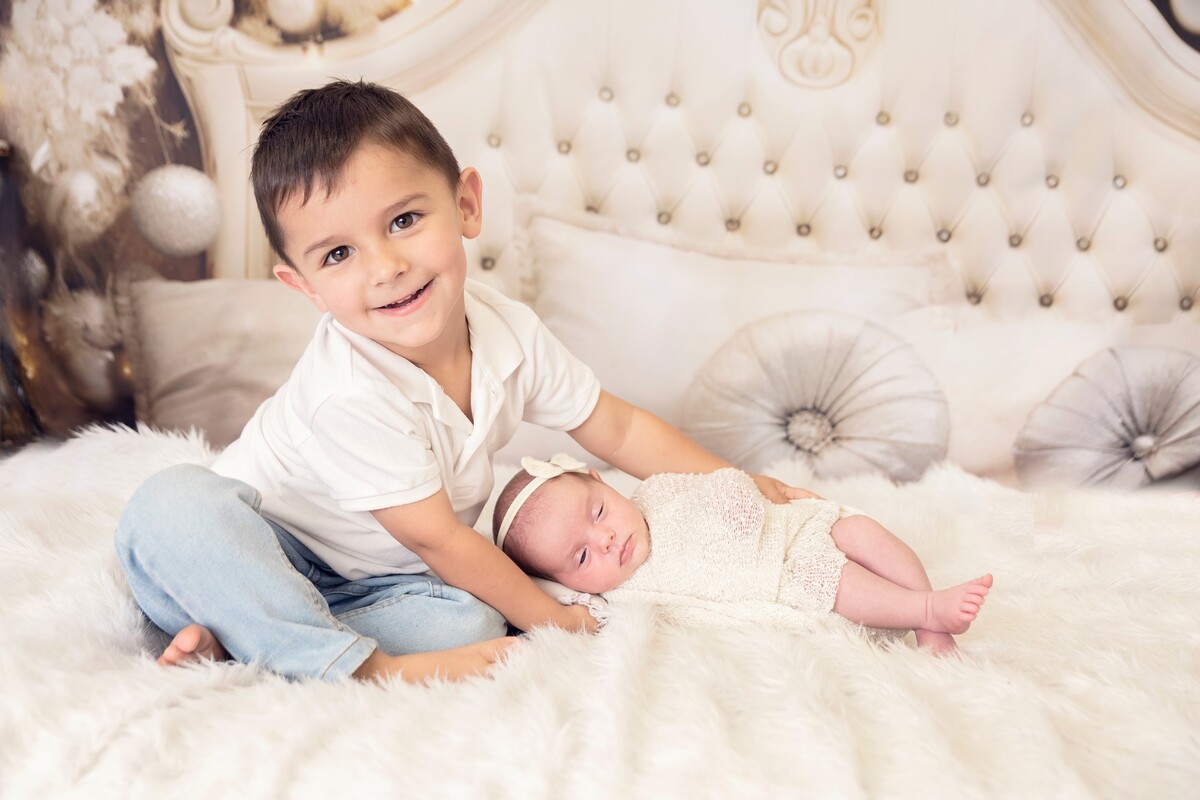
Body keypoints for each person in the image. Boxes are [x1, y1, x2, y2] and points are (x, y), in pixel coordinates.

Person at [114, 80, 813, 685]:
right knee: (170, 506)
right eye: (339, 254)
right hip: (245, 547)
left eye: (404, 220)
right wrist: (556, 621)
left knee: (473, 621)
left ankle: (259, 640)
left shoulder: (507, 332)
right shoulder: (347, 391)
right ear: (305, 288)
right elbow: (442, 541)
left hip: (375, 587)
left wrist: (731, 483)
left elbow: (618, 428)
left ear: (467, 205)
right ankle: (358, 665)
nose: (385, 266)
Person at [493, 454, 993, 653]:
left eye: (599, 511)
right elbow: (562, 615)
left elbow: (718, 486)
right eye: (581, 558)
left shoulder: (658, 489)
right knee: (835, 582)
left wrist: (735, 493)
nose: (604, 539)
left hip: (788, 528)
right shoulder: (620, 597)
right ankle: (928, 611)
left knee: (862, 531)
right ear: (566, 582)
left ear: (600, 481)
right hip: (781, 574)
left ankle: (929, 618)